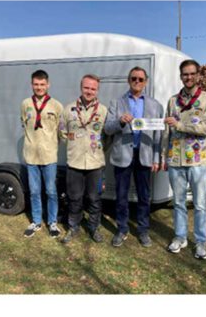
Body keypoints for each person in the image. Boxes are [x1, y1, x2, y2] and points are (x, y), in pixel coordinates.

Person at [161, 59, 206, 260]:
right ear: (181, 76)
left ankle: (200, 241)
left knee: (200, 204)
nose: (189, 77)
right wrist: (163, 155)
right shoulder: (172, 101)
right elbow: (166, 132)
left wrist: (180, 125)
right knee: (178, 202)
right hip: (176, 160)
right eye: (185, 74)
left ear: (198, 75)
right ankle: (180, 237)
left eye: (192, 73)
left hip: (198, 161)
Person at [104, 67, 163, 248]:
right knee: (121, 195)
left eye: (140, 79)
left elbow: (158, 136)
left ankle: (143, 230)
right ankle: (122, 229)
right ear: (128, 80)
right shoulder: (116, 103)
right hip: (123, 155)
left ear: (146, 82)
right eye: (134, 78)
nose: (137, 82)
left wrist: (156, 158)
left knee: (144, 196)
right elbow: (107, 129)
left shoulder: (155, 105)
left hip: (144, 155)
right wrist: (120, 121)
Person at [59, 74, 109, 244]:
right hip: (75, 163)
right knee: (74, 198)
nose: (89, 91)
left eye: (93, 88)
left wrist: (98, 150)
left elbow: (107, 136)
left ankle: (94, 227)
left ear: (97, 90)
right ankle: (73, 227)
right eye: (86, 87)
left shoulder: (103, 111)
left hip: (96, 164)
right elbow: (62, 132)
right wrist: (75, 146)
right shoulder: (68, 109)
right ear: (81, 88)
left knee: (95, 198)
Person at [20, 70, 64, 238]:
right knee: (34, 191)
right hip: (31, 155)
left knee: (51, 191)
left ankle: (52, 223)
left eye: (42, 84)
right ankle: (36, 222)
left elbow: (60, 131)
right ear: (32, 85)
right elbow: (24, 124)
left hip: (49, 156)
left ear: (48, 84)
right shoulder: (25, 104)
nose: (39, 87)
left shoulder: (56, 106)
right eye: (36, 84)